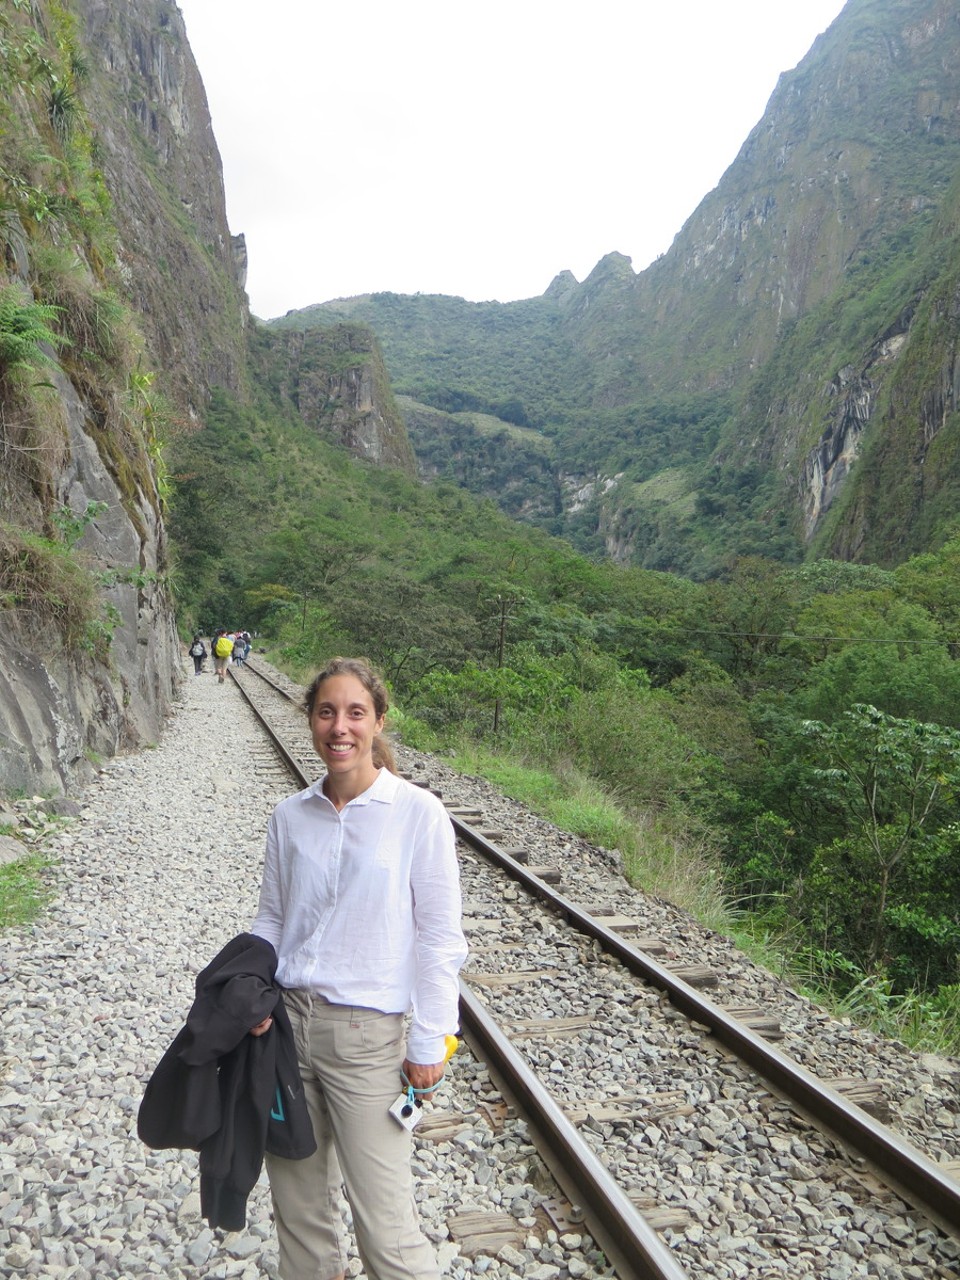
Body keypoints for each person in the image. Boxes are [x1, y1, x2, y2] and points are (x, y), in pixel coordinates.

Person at [248, 656, 468, 1280]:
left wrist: (430, 1039)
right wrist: (251, 997)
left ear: (377, 722)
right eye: (326, 712)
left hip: (368, 1038)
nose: (338, 727)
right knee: (299, 1212)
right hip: (285, 1031)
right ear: (311, 720)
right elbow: (270, 922)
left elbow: (439, 937)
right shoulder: (290, 817)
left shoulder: (418, 812)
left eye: (354, 713)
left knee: (387, 1228)